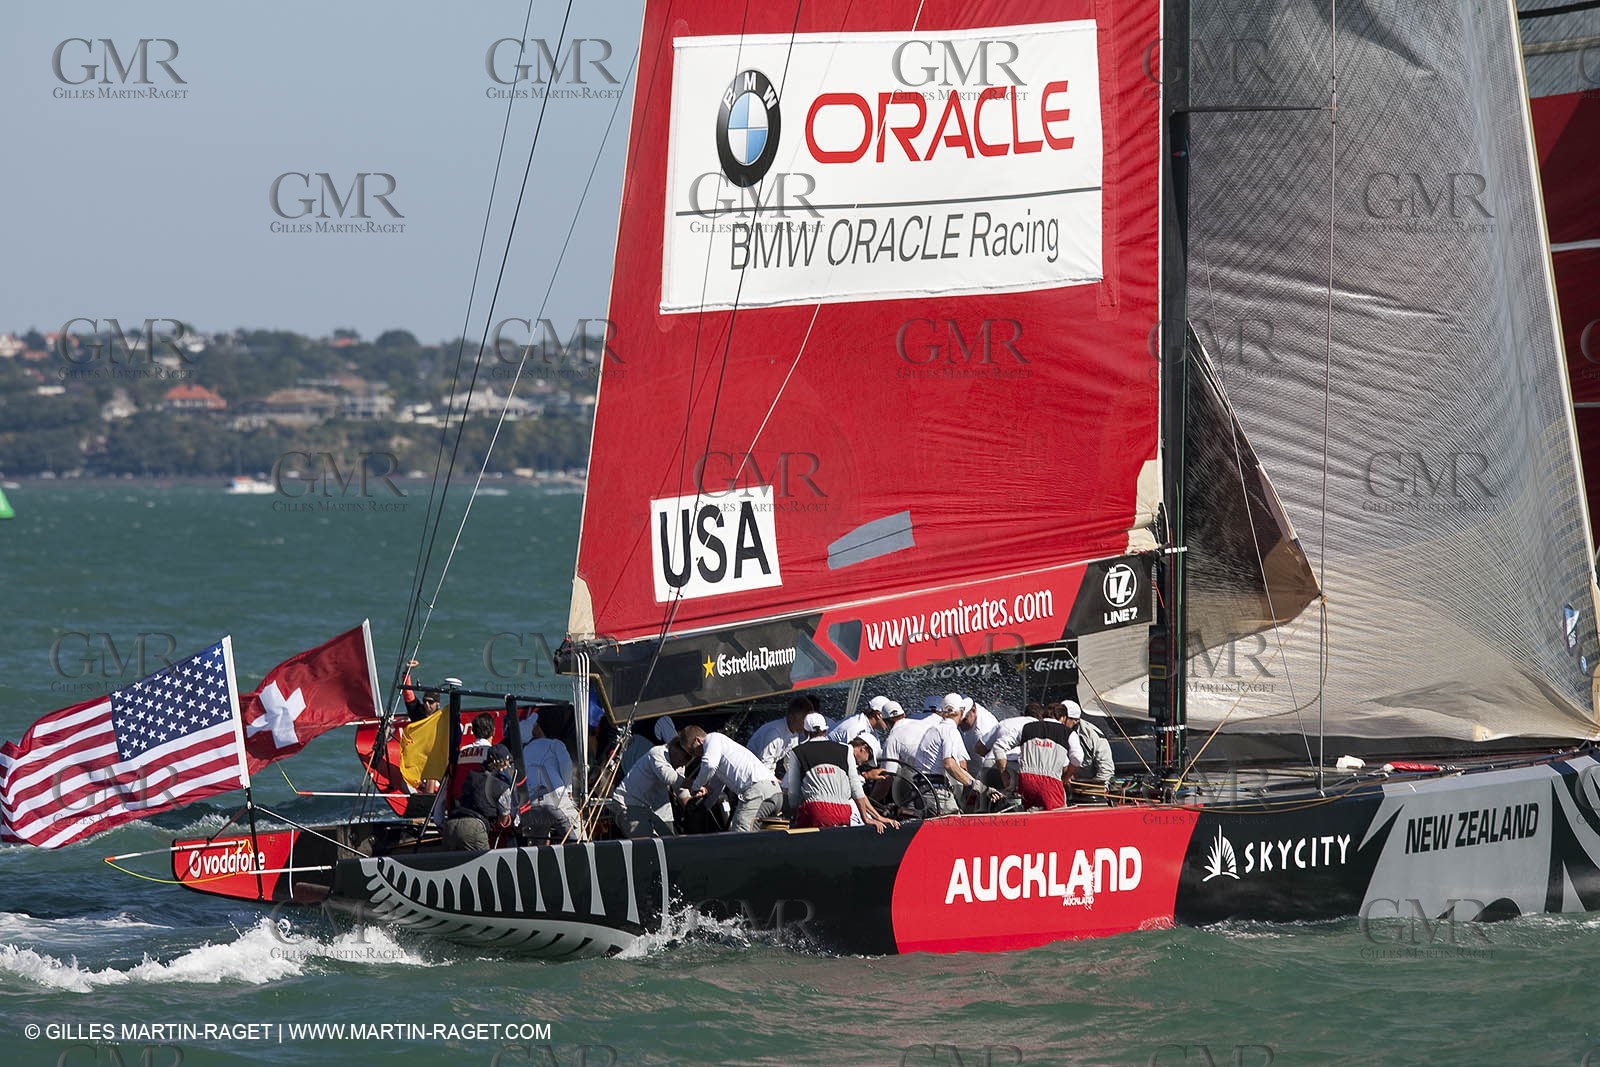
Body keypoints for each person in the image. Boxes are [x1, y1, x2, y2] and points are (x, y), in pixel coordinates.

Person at [679, 725, 783, 833]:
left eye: (692, 751)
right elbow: (716, 786)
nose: (694, 755)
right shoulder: (724, 751)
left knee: (740, 832)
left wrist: (696, 786)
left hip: (758, 792)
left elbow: (709, 765)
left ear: (698, 740)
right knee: (759, 836)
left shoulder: (712, 738)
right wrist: (704, 806)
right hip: (775, 793)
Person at [913, 694, 999, 815]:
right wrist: (977, 786)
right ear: (962, 711)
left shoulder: (934, 729)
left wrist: (981, 788)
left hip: (921, 789)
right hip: (935, 790)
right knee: (957, 827)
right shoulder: (950, 730)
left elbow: (957, 767)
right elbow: (950, 765)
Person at [522, 715, 586, 844]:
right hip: (555, 798)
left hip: (532, 804)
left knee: (536, 846)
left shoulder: (525, 750)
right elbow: (566, 764)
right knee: (579, 840)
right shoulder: (554, 744)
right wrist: (568, 789)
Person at [612, 734, 690, 838]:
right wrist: (697, 784)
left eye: (690, 757)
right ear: (675, 748)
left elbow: (681, 791)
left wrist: (693, 801)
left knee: (669, 843)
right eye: (686, 756)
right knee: (648, 848)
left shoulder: (679, 764)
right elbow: (669, 777)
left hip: (648, 808)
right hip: (629, 804)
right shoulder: (658, 753)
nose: (686, 761)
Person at [443, 743, 515, 852]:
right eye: (507, 763)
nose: (508, 767)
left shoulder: (471, 776)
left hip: (450, 825)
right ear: (502, 764)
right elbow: (504, 820)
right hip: (474, 828)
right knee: (485, 866)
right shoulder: (502, 787)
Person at [1016, 704, 1078, 810]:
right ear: (1063, 717)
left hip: (1026, 780)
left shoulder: (1026, 727)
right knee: (1058, 815)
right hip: (1050, 782)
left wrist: (1004, 773)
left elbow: (1000, 746)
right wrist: (1067, 777)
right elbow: (1077, 758)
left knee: (1031, 813)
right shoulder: (1068, 732)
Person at [745, 697, 811, 774]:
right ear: (791, 718)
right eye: (803, 721)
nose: (806, 725)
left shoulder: (795, 735)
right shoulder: (773, 734)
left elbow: (790, 763)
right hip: (750, 774)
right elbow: (765, 767)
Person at [987, 704, 1043, 791]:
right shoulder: (1037, 728)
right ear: (1041, 717)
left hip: (989, 763)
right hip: (1012, 767)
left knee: (983, 802)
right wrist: (1003, 773)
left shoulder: (1005, 722)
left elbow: (979, 748)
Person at [1066, 700, 1116, 787]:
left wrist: (1094, 787)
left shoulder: (1092, 735)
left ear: (1075, 720)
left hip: (1086, 787)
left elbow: (1105, 769)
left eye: (1064, 718)